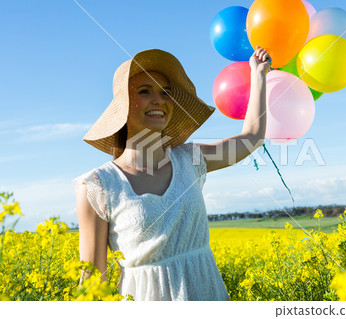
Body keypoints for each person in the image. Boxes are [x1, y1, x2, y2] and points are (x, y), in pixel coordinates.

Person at [72, 47, 271, 301]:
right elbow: (92, 282)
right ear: (123, 105)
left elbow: (251, 138)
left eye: (166, 93)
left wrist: (258, 75)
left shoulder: (190, 158)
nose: (159, 100)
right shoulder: (98, 186)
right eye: (145, 91)